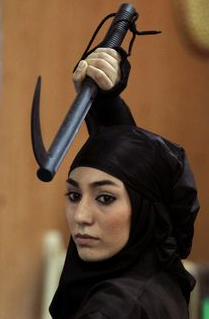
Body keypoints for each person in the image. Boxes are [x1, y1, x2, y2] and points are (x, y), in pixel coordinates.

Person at [49, 47, 200, 318]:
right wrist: (107, 101)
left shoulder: (116, 309)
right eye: (73, 195)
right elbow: (133, 168)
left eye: (105, 198)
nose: (81, 216)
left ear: (145, 211)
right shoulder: (155, 278)